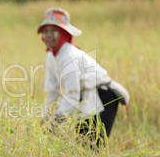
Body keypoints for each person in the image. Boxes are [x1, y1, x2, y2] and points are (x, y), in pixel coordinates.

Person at [38, 8, 130, 146]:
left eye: (54, 30)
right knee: (81, 144)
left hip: (104, 96)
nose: (49, 35)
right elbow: (51, 90)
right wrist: (44, 118)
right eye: (46, 31)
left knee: (90, 146)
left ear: (63, 33)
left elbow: (72, 94)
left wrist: (56, 120)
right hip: (87, 99)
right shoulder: (51, 56)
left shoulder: (69, 55)